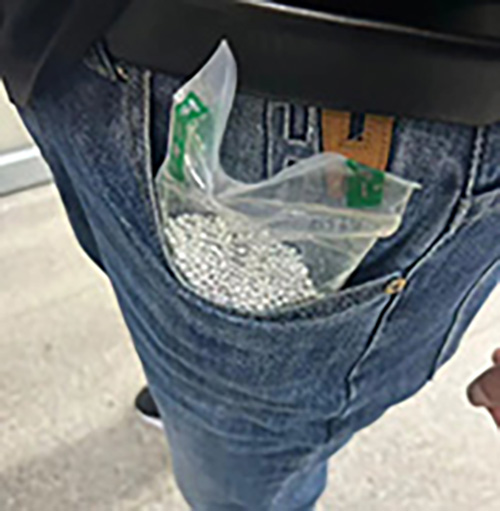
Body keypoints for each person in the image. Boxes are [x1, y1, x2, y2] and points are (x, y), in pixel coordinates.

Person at [1, 1, 499, 510]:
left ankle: (206, 409)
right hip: (61, 42)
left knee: (238, 470)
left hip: (349, 67)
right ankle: (187, 392)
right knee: (142, 292)